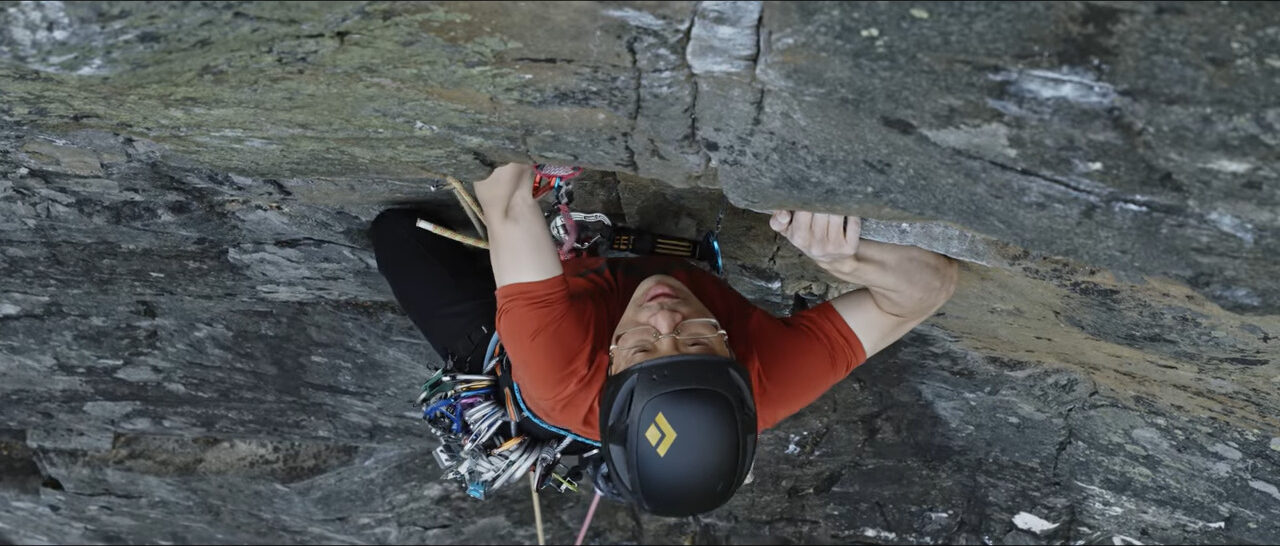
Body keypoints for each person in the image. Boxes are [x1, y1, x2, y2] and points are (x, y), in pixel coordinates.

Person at [370, 162, 957, 516]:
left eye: (644, 351)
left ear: (609, 363)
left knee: (399, 238)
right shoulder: (767, 382)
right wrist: (848, 258)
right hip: (584, 325)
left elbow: (504, 198)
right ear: (734, 358)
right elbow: (929, 289)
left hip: (520, 371)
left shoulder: (559, 369)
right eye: (699, 344)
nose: (665, 319)